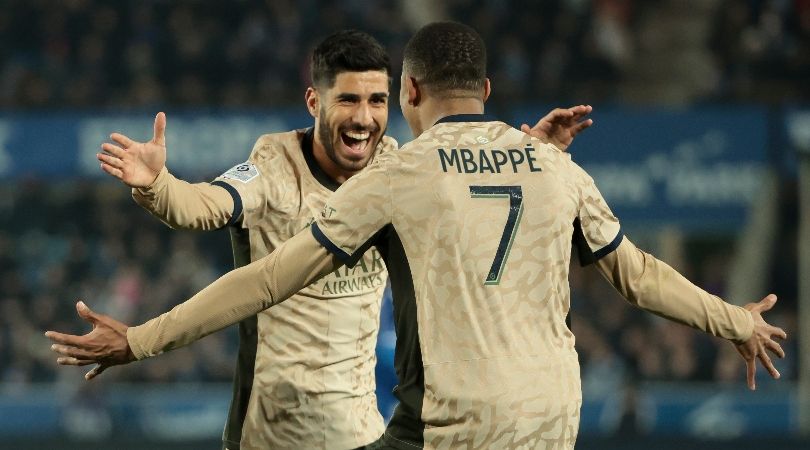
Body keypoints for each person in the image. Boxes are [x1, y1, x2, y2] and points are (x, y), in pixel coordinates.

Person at [45, 21, 785, 449]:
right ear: (488, 92)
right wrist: (734, 320)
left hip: (452, 423)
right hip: (557, 417)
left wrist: (143, 340)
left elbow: (268, 279)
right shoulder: (553, 167)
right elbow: (640, 274)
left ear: (409, 94)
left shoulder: (400, 174)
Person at [85, 29, 593, 450]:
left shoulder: (395, 171)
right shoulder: (274, 166)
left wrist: (534, 153)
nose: (363, 118)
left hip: (361, 429)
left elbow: (479, 198)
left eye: (375, 100)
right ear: (314, 100)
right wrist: (158, 186)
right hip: (275, 433)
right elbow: (206, 205)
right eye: (347, 99)